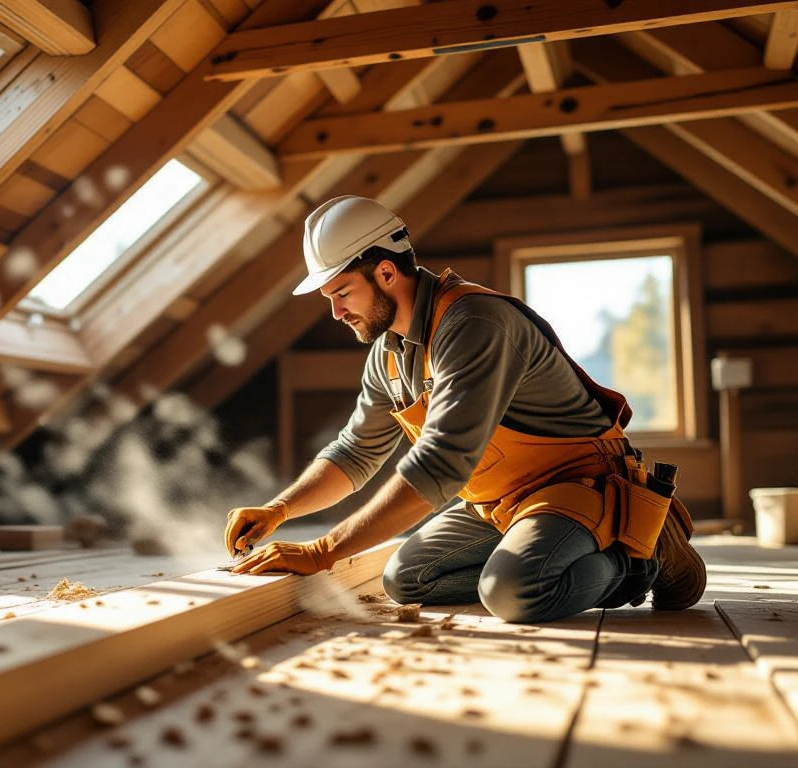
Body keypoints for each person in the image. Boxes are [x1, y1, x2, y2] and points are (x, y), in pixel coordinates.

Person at [224, 195, 706, 623]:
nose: (336, 312)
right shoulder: (388, 355)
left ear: (386, 272)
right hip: (498, 504)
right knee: (408, 580)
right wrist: (279, 509)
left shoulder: (474, 323)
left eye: (342, 293)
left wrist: (324, 551)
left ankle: (644, 555)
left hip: (577, 487)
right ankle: (550, 556)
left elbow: (441, 462)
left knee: (514, 592)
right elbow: (355, 452)